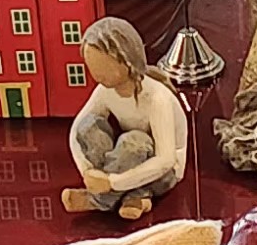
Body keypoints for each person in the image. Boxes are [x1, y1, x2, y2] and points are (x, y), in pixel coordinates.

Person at [64, 15, 189, 219]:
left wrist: (112, 182)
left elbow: (165, 160)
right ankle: (132, 196)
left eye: (104, 67)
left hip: (163, 171)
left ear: (127, 61)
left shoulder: (157, 99)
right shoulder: (105, 90)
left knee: (133, 142)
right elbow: (76, 130)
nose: (97, 74)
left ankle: (101, 199)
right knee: (89, 127)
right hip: (126, 160)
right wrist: (87, 171)